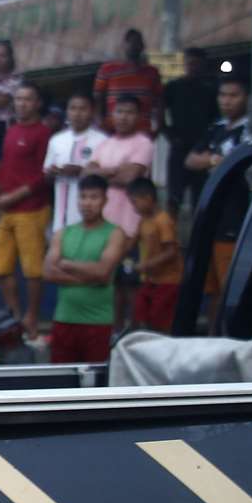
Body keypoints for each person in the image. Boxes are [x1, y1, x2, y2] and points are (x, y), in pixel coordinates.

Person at [0, 83, 53, 337]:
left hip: (31, 208)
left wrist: (12, 197)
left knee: (33, 270)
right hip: (6, 210)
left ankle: (32, 317)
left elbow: (42, 176)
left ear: (37, 104)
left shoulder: (43, 133)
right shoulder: (11, 130)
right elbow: (5, 168)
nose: (22, 104)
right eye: (18, 99)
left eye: (27, 99)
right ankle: (14, 314)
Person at [186, 76, 252, 331]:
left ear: (246, 97)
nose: (226, 101)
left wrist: (213, 160)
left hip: (235, 219)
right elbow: (190, 160)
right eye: (223, 95)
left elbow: (241, 163)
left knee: (230, 287)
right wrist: (218, 160)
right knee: (212, 290)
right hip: (210, 219)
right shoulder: (215, 128)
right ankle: (214, 337)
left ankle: (232, 335)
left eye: (233, 95)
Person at [85, 94, 155, 329]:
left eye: (129, 112)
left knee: (130, 285)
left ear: (138, 116)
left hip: (131, 226)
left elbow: (130, 177)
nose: (123, 117)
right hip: (105, 226)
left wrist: (103, 172)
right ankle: (113, 332)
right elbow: (87, 175)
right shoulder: (104, 143)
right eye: (119, 111)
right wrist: (115, 171)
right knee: (109, 284)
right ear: (112, 115)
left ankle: (132, 333)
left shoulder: (143, 143)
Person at [43, 174, 123, 362]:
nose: (87, 203)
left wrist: (66, 264)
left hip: (98, 322)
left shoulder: (115, 233)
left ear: (105, 200)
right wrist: (89, 278)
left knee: (95, 383)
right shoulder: (64, 233)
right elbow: (47, 272)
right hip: (64, 319)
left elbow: (103, 272)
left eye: (94, 197)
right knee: (61, 382)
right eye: (83, 197)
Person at [43, 93, 107, 236]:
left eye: (83, 109)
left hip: (91, 216)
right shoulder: (57, 140)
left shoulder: (102, 140)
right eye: (73, 108)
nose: (77, 113)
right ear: (67, 112)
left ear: (91, 111)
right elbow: (46, 177)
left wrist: (81, 171)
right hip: (61, 217)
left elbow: (108, 177)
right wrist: (52, 173)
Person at [162, 47, 216, 214]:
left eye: (197, 63)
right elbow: (159, 112)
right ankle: (168, 236)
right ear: (185, 64)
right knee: (173, 198)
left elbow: (216, 119)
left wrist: (210, 143)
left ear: (203, 65)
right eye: (190, 63)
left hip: (201, 149)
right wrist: (169, 134)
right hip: (179, 147)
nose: (193, 67)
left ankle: (197, 237)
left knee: (200, 198)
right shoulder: (173, 86)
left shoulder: (210, 89)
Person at [126, 177, 183, 333]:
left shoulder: (163, 220)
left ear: (148, 198)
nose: (134, 207)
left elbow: (171, 252)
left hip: (168, 281)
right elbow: (132, 242)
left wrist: (146, 265)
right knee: (140, 311)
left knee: (160, 320)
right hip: (151, 279)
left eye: (135, 202)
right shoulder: (144, 220)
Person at [93, 28, 163, 136]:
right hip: (113, 132)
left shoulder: (152, 72)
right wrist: (101, 125)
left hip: (143, 132)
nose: (134, 46)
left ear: (143, 46)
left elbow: (159, 102)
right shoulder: (107, 69)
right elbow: (97, 100)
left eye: (138, 42)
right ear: (124, 45)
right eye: (131, 42)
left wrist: (157, 128)